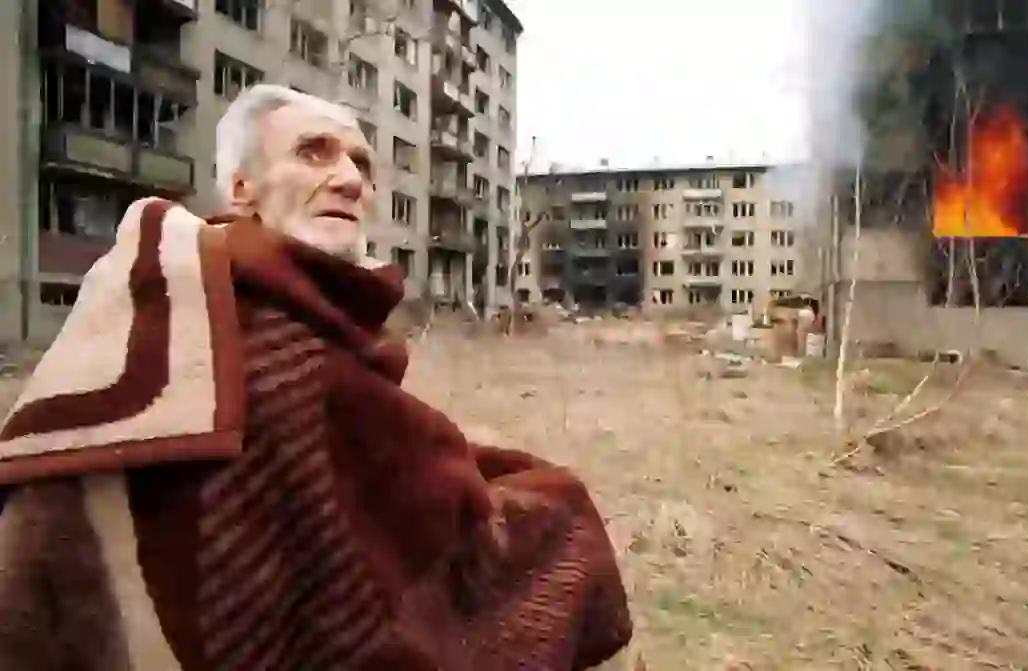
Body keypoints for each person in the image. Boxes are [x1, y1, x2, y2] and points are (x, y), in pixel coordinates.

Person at [0, 84, 631, 670]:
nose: (351, 180)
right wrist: (557, 509)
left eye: (362, 165)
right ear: (242, 189)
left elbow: (392, 467)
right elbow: (432, 547)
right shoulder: (243, 326)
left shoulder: (217, 298)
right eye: (315, 153)